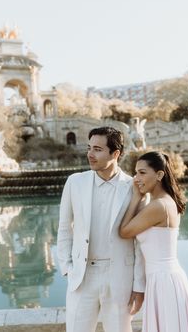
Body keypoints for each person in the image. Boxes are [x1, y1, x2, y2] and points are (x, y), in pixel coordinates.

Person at [57, 126, 148, 332]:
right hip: (82, 276)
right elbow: (64, 227)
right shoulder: (75, 182)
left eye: (97, 149)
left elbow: (140, 241)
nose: (90, 154)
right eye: (89, 148)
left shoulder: (134, 187)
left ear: (115, 153)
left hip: (120, 278)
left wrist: (139, 285)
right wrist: (67, 268)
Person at [119, 151, 188, 332]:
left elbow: (124, 231)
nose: (136, 178)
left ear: (159, 175)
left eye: (142, 173)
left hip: (164, 281)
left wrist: (136, 198)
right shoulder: (165, 202)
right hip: (164, 278)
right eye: (136, 173)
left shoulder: (159, 206)